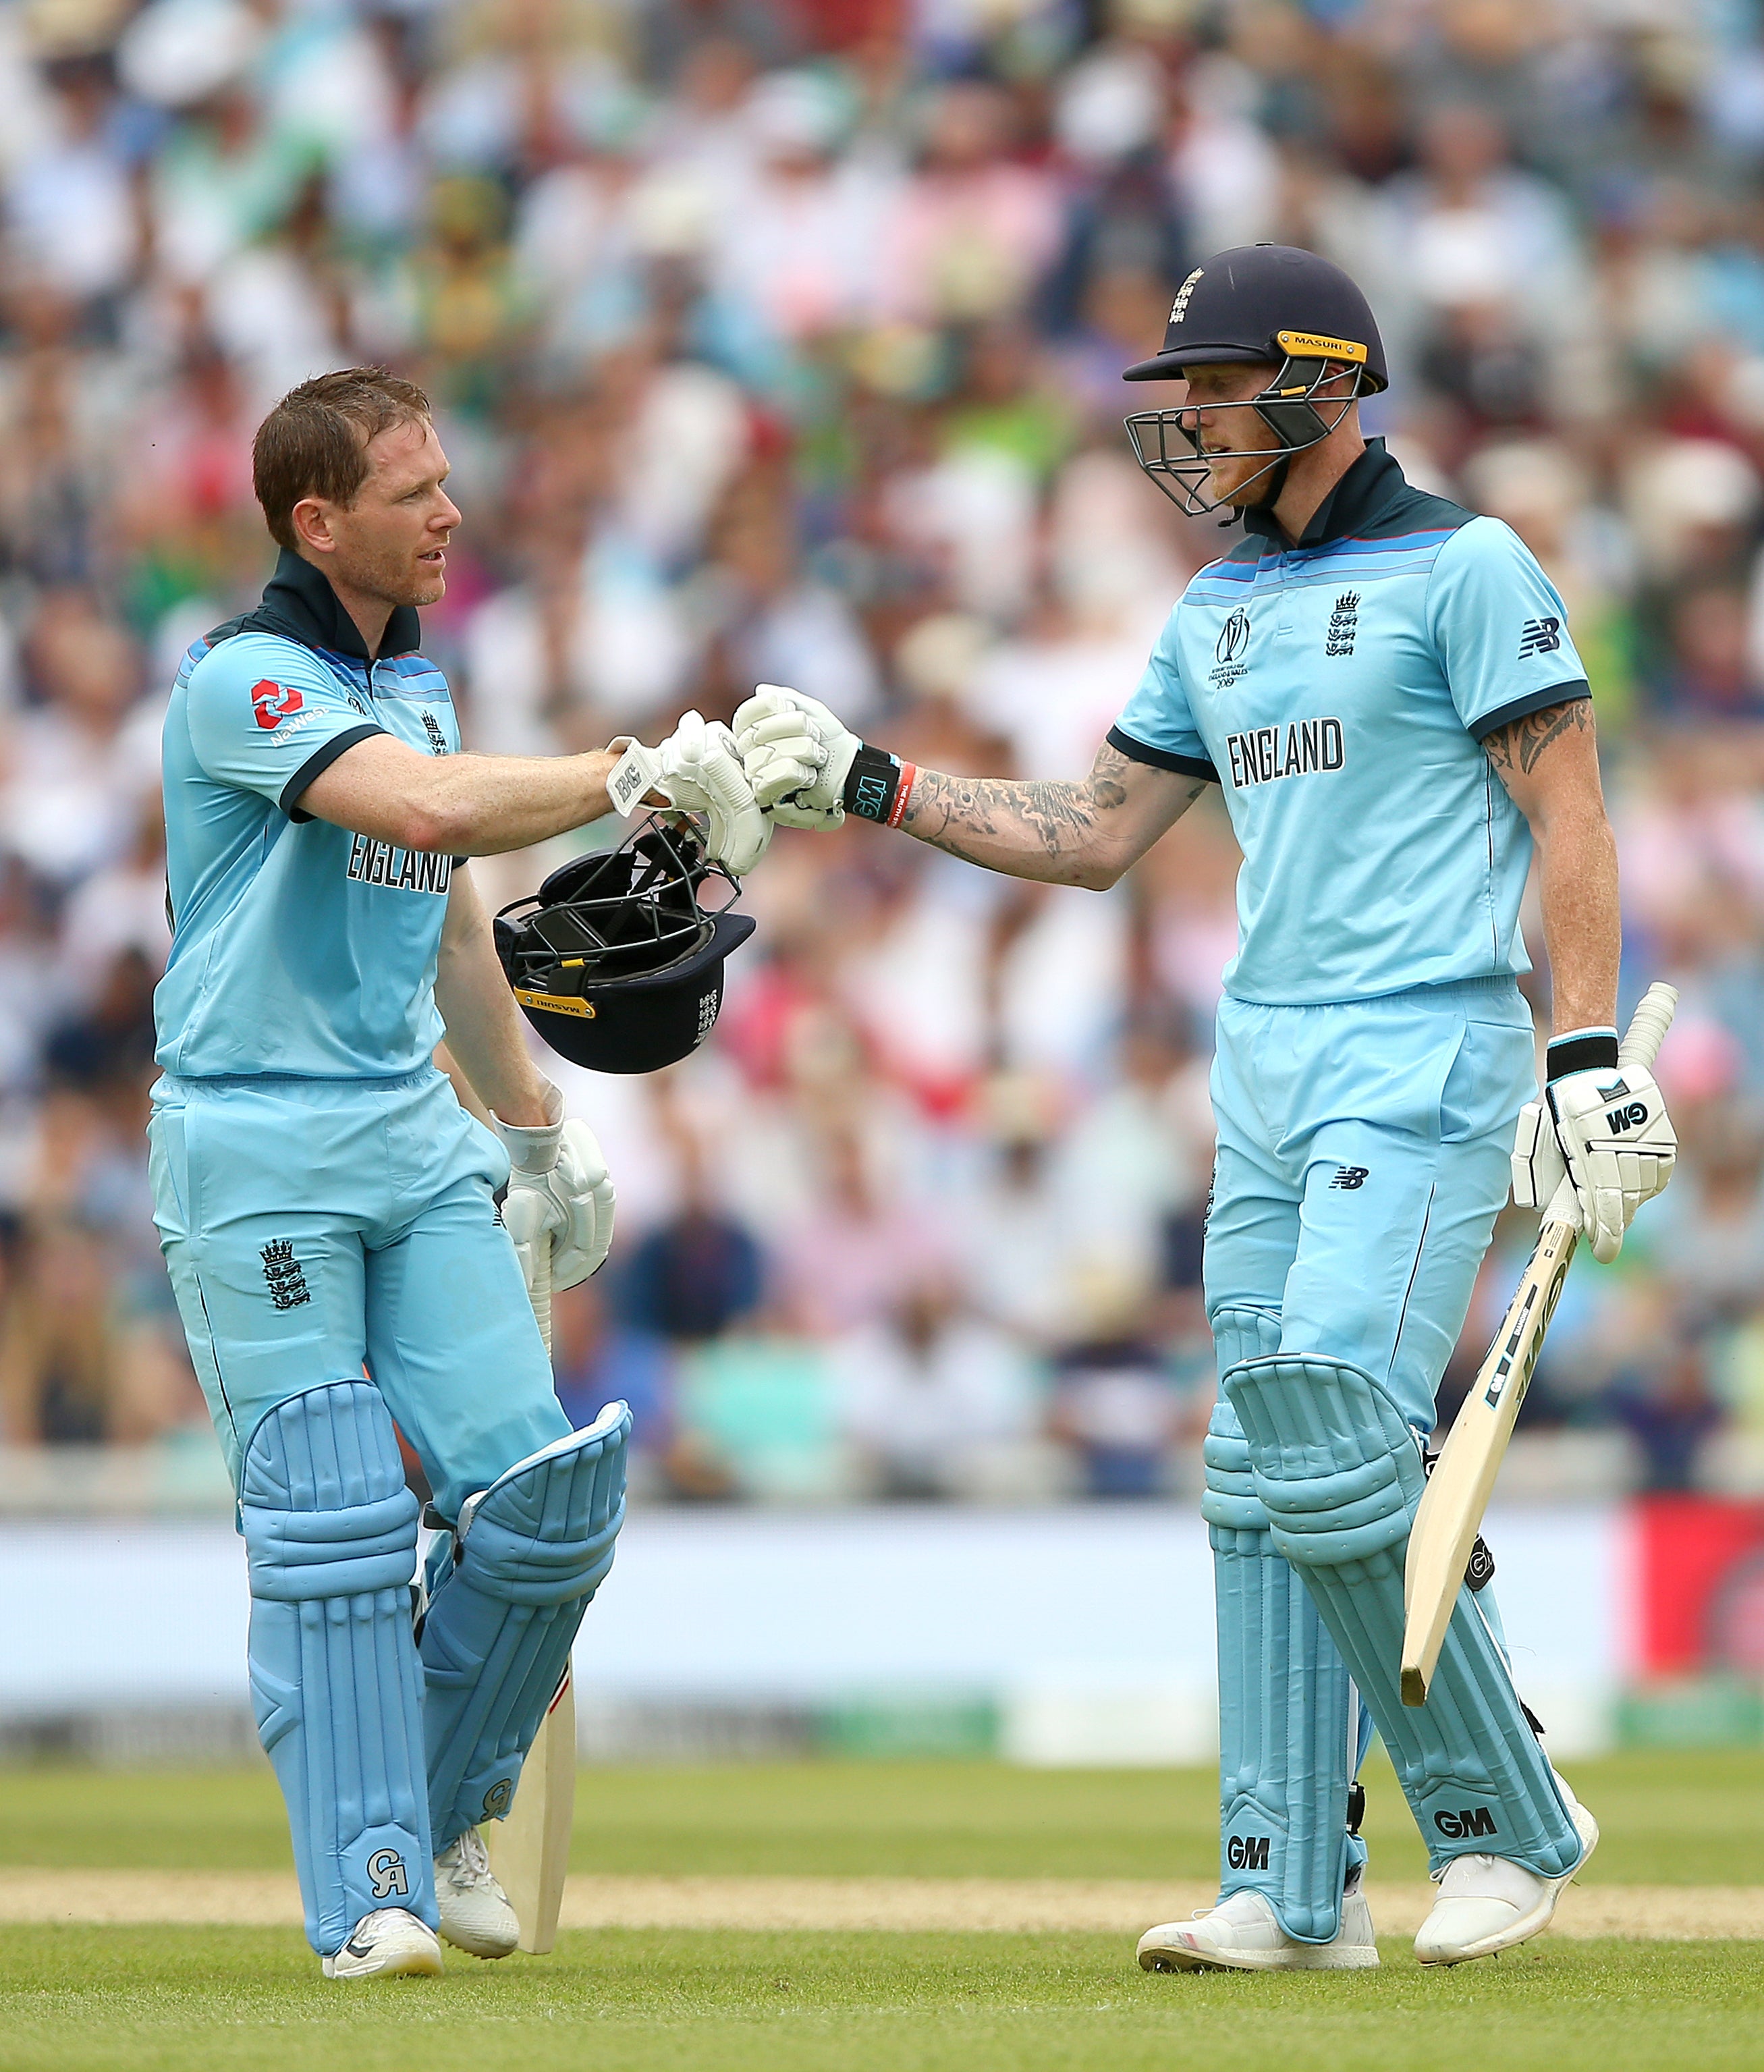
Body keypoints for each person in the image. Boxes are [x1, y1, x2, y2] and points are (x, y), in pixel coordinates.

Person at [732, 246, 1678, 1971]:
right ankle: (1284, 1883)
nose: (1188, 426)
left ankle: (1504, 1818)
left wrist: (1585, 1048)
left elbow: (1571, 815)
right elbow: (1092, 832)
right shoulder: (1213, 607)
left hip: (1424, 1044)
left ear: (1319, 385)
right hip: (1265, 1057)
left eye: (1216, 390)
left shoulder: (1466, 564)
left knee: (1323, 1413)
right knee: (1255, 1469)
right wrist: (875, 781)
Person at [148, 366, 766, 1980]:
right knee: (339, 1515)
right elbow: (419, 807)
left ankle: (435, 1810)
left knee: (549, 1502)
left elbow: (446, 927)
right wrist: (621, 771)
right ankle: (370, 1893)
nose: (450, 511)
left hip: (410, 1135)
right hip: (253, 1140)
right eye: (414, 490)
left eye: (447, 480)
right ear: (317, 519)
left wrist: (537, 1130)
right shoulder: (243, 682)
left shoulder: (417, 687)